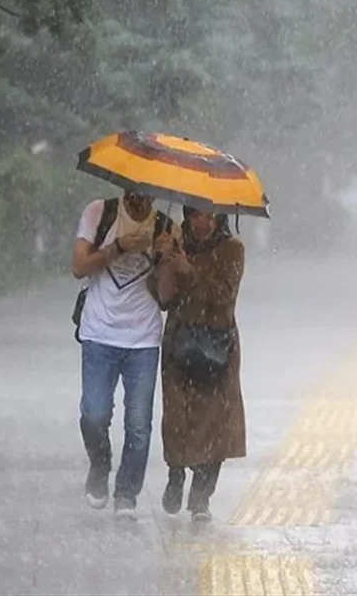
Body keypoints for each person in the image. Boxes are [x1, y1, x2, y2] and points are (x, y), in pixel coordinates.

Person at [71, 190, 176, 519]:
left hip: (143, 339)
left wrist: (164, 259)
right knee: (94, 413)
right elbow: (79, 267)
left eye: (149, 194)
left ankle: (127, 493)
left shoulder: (166, 227)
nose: (142, 201)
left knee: (139, 423)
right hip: (99, 334)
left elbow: (168, 297)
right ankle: (100, 464)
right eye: (136, 192)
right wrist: (118, 247)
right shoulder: (100, 212)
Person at [150, 206, 246, 522]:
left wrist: (188, 269)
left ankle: (201, 497)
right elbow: (162, 298)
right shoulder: (175, 241)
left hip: (217, 344)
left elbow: (222, 294)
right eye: (194, 214)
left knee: (215, 423)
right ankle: (176, 473)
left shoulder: (232, 249)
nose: (200, 222)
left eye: (208, 215)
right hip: (180, 341)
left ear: (219, 218)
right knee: (177, 414)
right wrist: (163, 261)